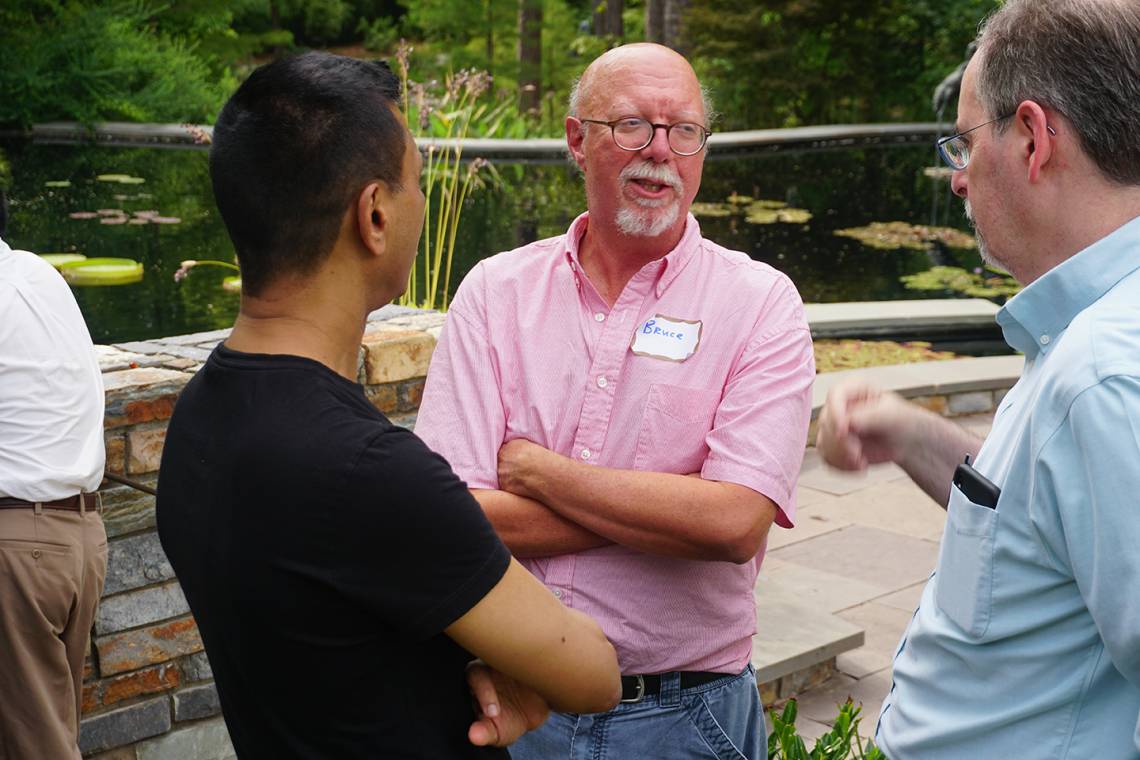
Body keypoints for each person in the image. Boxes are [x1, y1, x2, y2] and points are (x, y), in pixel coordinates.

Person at [155, 52, 619, 759]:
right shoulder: (368, 470)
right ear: (373, 214)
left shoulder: (198, 417)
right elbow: (593, 674)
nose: (423, 204)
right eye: (417, 183)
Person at [415, 43, 815, 759]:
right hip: (515, 707)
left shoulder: (760, 305)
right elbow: (449, 518)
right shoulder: (495, 293)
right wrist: (672, 508)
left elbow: (733, 526)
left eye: (683, 130)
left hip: (686, 717)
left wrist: (542, 474)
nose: (659, 151)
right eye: (632, 124)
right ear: (577, 138)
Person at [816, 1, 1140, 757]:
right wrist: (914, 437)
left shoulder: (1104, 372)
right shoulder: (1086, 335)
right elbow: (1046, 519)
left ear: (1032, 137)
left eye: (963, 145)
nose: (957, 181)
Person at [0, 186, 108, 759]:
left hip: (17, 551)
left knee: (35, 748)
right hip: (80, 540)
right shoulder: (39, 274)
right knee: (49, 734)